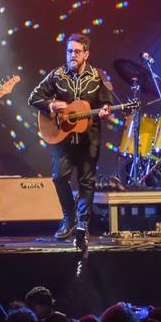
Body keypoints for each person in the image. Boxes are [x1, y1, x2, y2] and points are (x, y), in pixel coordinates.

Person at [27, 34, 116, 250]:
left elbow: (107, 103)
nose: (72, 55)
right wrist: (51, 105)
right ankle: (69, 218)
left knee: (87, 181)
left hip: (89, 139)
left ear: (86, 53)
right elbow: (33, 98)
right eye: (69, 51)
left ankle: (82, 224)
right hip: (62, 138)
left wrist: (105, 110)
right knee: (59, 177)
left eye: (77, 51)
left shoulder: (98, 77)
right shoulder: (56, 75)